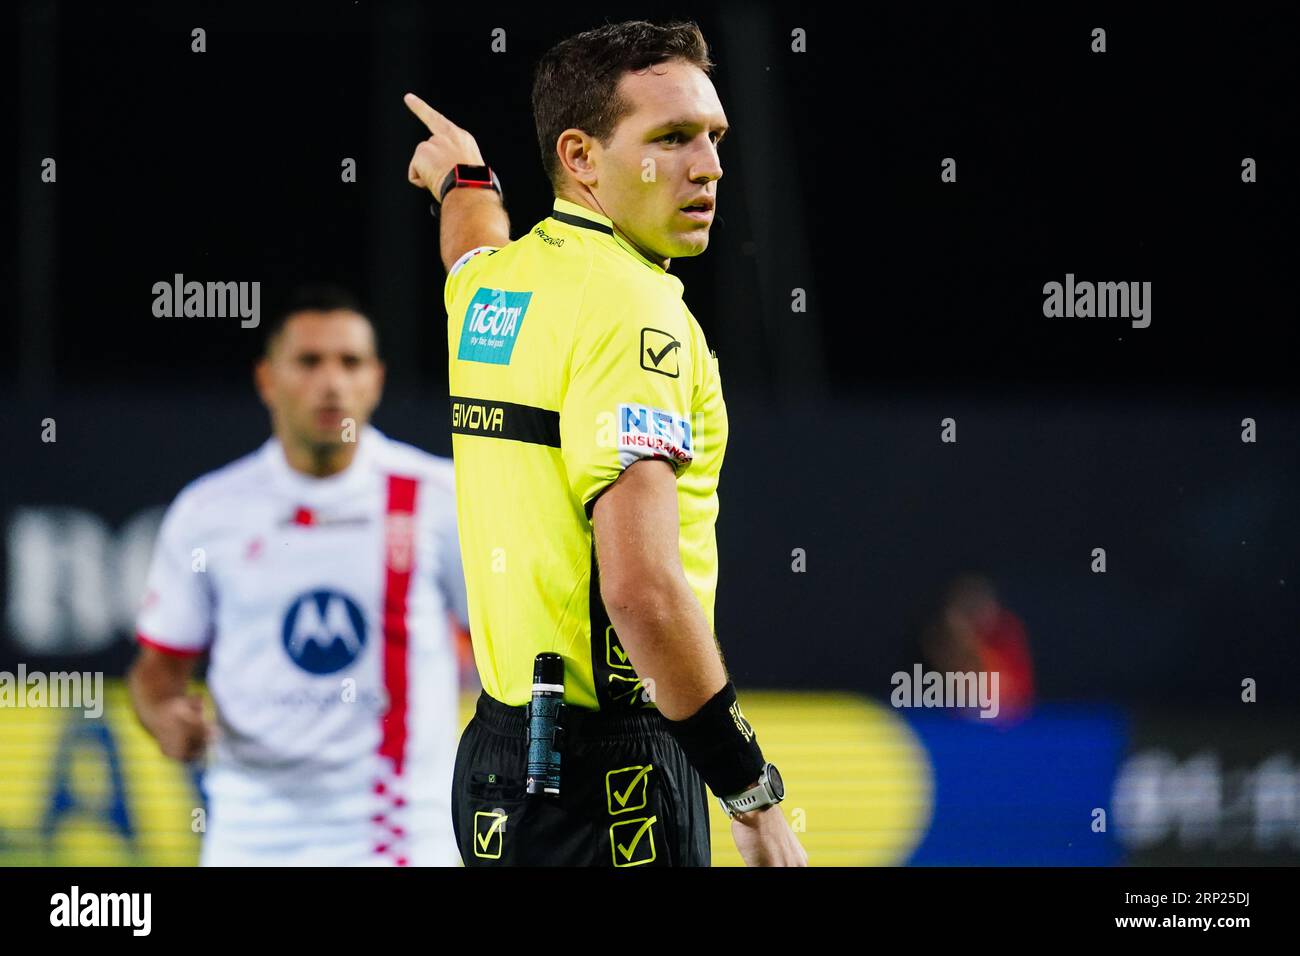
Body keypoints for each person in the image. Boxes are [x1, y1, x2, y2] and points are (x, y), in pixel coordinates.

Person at [404, 19, 806, 866]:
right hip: (612, 776)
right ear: (580, 157)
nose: (708, 165)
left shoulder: (493, 286)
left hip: (494, 765)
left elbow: (467, 242)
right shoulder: (635, 311)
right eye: (670, 138)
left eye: (713, 136)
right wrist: (750, 793)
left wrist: (461, 176)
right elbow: (642, 589)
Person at [127, 287, 469, 866]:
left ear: (377, 379)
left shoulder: (439, 497)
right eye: (310, 362)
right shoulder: (210, 511)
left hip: (401, 838)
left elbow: (503, 649)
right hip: (251, 839)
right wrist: (165, 719)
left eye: (350, 362)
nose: (331, 382)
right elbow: (158, 673)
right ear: (267, 378)